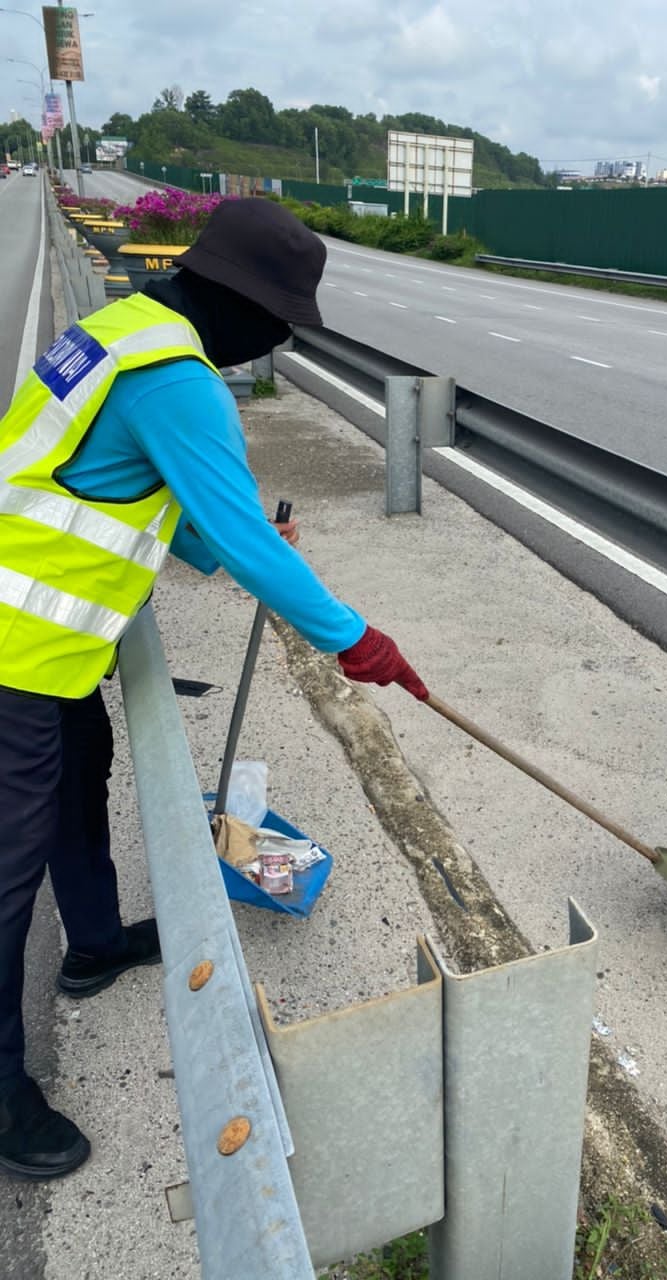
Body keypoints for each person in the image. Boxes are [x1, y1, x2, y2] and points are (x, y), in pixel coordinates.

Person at [0, 197, 428, 1180]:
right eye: (276, 324)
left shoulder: (118, 330)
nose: (271, 344)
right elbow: (233, 536)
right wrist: (357, 640)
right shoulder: (181, 380)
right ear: (237, 304)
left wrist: (240, 542)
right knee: (8, 871)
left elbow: (147, 498)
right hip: (13, 655)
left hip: (49, 647)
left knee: (80, 780)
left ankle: (96, 942)